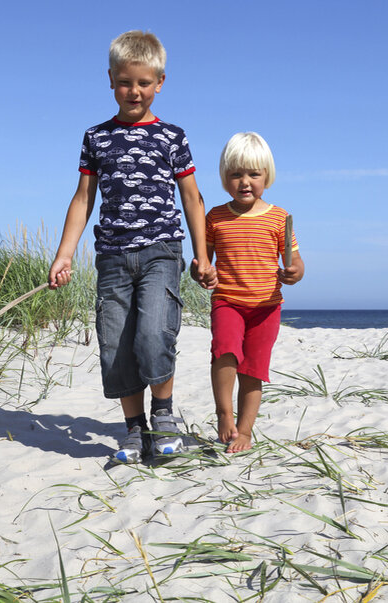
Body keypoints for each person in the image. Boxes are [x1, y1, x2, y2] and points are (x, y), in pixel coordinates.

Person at [48, 30, 215, 464]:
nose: (134, 91)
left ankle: (163, 417)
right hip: (113, 258)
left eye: (144, 83)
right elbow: (83, 198)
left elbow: (192, 198)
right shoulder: (96, 137)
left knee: (154, 332)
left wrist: (202, 255)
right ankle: (134, 430)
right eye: (125, 82)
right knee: (116, 345)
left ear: (160, 82)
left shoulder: (172, 137)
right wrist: (64, 254)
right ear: (110, 80)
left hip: (162, 251)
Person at [204, 132, 305, 453]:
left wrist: (293, 273)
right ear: (225, 178)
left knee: (253, 370)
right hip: (228, 302)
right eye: (235, 174)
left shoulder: (279, 218)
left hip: (266, 306)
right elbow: (203, 262)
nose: (244, 182)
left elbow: (296, 262)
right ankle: (224, 414)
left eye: (253, 174)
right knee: (225, 351)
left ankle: (245, 431)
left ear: (267, 177)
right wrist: (201, 272)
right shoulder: (216, 217)